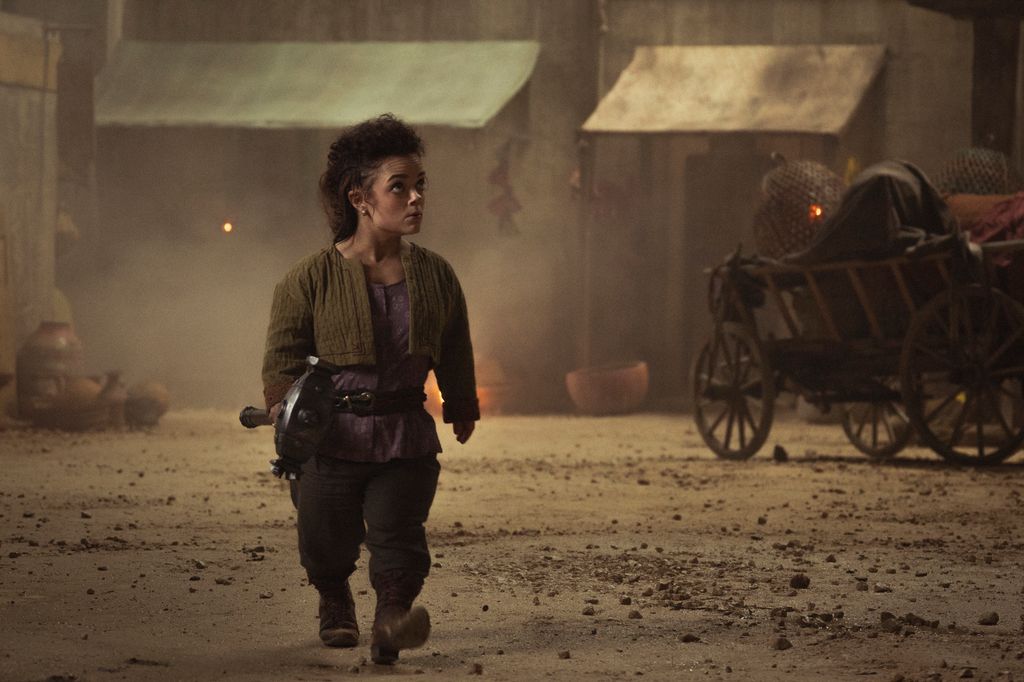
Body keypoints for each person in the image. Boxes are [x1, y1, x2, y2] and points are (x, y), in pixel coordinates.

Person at [261, 114, 479, 664]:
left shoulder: (436, 275)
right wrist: (285, 414)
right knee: (325, 537)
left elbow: (455, 344)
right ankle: (334, 601)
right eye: (398, 186)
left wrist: (461, 403)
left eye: (420, 185)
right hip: (330, 438)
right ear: (360, 197)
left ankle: (391, 619)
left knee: (398, 534)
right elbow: (284, 354)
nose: (415, 198)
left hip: (405, 432)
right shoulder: (308, 278)